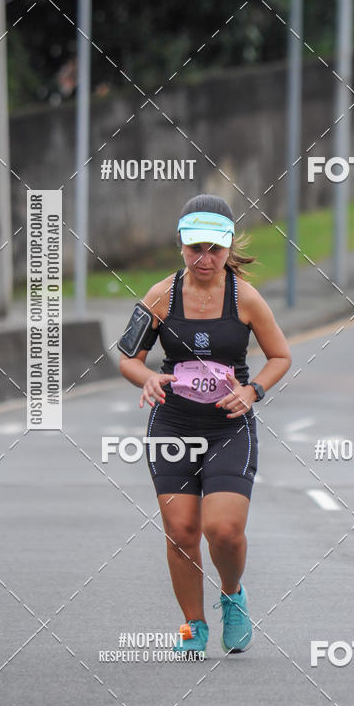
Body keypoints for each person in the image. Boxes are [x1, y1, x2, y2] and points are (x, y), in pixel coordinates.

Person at [118, 194, 291, 658]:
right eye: (195, 248)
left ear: (228, 247)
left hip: (228, 425)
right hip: (173, 423)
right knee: (180, 530)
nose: (205, 258)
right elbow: (128, 359)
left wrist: (252, 391)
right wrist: (150, 376)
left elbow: (280, 356)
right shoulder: (160, 295)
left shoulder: (245, 298)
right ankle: (193, 625)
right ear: (181, 245)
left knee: (224, 530)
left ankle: (232, 595)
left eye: (214, 249)